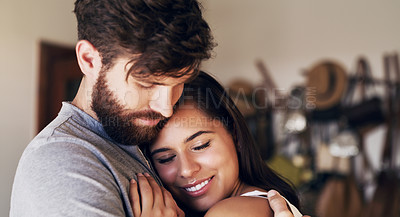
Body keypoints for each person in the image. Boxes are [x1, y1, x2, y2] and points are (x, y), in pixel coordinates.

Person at [10, 0, 214, 216]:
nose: (166, 108)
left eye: (179, 82)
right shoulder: (62, 165)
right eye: (146, 84)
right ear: (89, 60)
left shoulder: (144, 136)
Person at [133, 72, 303, 217]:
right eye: (166, 158)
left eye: (200, 146)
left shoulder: (230, 212)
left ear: (235, 135)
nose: (186, 170)